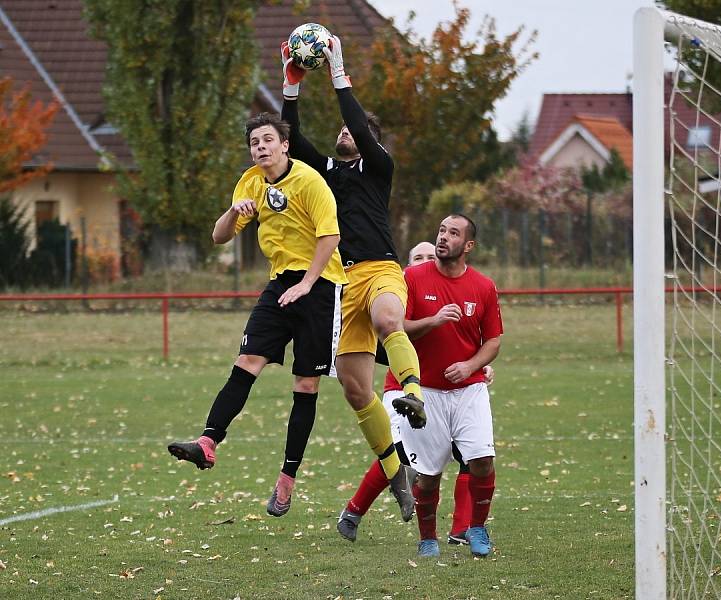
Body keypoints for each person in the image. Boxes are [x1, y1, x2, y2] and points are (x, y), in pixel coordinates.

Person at [166, 112, 349, 518]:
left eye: (268, 140)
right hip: (280, 284)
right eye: (254, 142)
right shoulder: (250, 181)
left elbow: (331, 235)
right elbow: (218, 236)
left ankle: (287, 480)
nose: (260, 147)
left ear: (285, 145)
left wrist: (307, 283)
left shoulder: (308, 180)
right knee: (246, 361)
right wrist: (234, 211)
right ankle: (208, 442)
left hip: (320, 287)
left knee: (305, 385)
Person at [279, 36, 424, 520]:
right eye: (340, 130)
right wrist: (291, 87)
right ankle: (397, 476)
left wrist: (339, 73)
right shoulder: (327, 173)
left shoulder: (379, 166)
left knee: (389, 320)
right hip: (341, 282)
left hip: (381, 267)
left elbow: (362, 126)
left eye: (351, 130)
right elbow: (292, 141)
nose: (344, 133)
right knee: (356, 388)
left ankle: (413, 396)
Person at [338, 241, 495, 546]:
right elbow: (391, 337)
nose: (424, 261)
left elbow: (467, 338)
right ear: (406, 265)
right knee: (400, 456)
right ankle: (354, 512)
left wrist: (478, 367)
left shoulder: (461, 285)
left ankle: (462, 529)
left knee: (471, 456)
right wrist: (433, 321)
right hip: (405, 389)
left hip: (453, 390)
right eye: (417, 257)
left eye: (429, 256)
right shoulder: (397, 291)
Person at [395, 214, 502, 559]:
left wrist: (472, 365)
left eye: (453, 233)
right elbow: (397, 328)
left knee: (482, 460)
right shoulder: (411, 277)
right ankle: (428, 538)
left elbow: (494, 341)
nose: (443, 237)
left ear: (468, 245)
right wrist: (434, 319)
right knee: (428, 477)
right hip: (424, 392)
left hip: (470, 390)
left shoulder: (483, 286)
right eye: (441, 230)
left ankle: (477, 527)